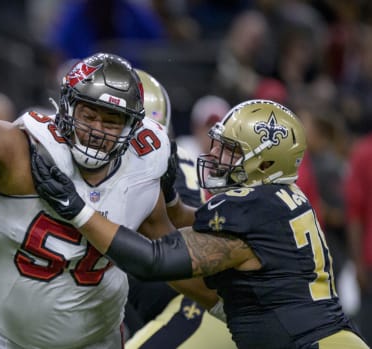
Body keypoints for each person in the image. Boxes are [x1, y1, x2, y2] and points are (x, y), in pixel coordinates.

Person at [32, 99, 370, 349]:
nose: (218, 157)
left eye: (231, 152)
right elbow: (190, 222)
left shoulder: (251, 207)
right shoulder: (277, 198)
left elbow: (154, 261)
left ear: (266, 162)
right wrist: (166, 192)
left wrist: (77, 211)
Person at [0, 52, 208, 348]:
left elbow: (169, 260)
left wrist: (231, 307)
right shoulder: (21, 149)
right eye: (89, 116)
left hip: (96, 340)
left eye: (111, 122)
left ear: (132, 127)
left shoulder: (141, 174)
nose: (97, 131)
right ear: (66, 107)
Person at [124, 69, 235, 349]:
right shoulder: (182, 155)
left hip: (183, 298)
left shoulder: (162, 163)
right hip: (153, 294)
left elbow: (173, 232)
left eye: (111, 121)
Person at [345, 130, 372, 344]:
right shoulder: (364, 153)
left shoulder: (363, 151)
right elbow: (354, 213)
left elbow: (354, 213)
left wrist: (358, 264)